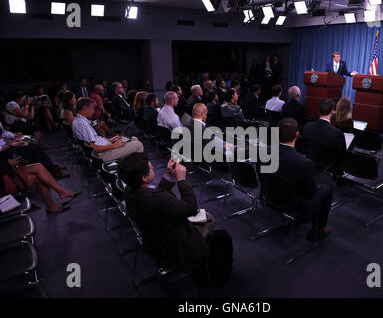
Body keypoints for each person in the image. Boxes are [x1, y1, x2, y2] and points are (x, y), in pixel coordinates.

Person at [118, 153, 232, 287]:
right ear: (144, 177)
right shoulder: (159, 200)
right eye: (150, 167)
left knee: (208, 220)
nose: (153, 167)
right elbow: (191, 208)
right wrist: (181, 180)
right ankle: (217, 278)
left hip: (156, 242)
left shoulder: (130, 191)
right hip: (178, 247)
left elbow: (155, 195)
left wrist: (168, 175)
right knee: (222, 236)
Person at [260, 118, 332, 241]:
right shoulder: (304, 163)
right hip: (292, 204)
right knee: (326, 189)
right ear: (297, 135)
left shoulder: (263, 153)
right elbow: (311, 193)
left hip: (268, 196)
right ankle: (317, 230)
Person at [0, 152, 80, 213]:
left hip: (6, 170)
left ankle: (61, 193)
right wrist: (8, 164)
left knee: (38, 166)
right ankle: (53, 203)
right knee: (38, 178)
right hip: (3, 182)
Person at [72, 97, 144, 162]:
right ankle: (137, 170)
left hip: (105, 149)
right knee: (138, 144)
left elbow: (94, 141)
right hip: (103, 154)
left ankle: (129, 165)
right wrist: (114, 145)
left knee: (134, 139)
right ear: (85, 108)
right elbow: (94, 148)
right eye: (92, 109)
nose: (93, 112)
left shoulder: (78, 121)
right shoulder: (83, 124)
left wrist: (111, 139)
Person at [301, 98, 346, 176]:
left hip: (308, 167)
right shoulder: (337, 133)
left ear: (318, 110)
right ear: (332, 112)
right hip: (327, 173)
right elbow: (342, 156)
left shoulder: (307, 127)